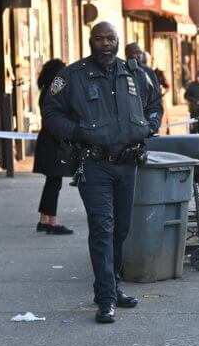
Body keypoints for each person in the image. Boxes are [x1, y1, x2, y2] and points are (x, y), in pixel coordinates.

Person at [43, 21, 163, 324]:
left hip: (127, 163)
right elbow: (51, 112)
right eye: (100, 39)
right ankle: (105, 297)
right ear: (90, 41)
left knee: (121, 229)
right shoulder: (71, 76)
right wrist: (78, 132)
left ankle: (114, 287)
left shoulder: (135, 73)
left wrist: (149, 125)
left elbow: (155, 102)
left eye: (111, 38)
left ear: (119, 41)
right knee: (102, 227)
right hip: (93, 164)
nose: (106, 44)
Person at [32, 59, 75, 235]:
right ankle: (52, 221)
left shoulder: (46, 88)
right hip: (54, 140)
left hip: (48, 138)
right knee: (54, 182)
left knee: (52, 181)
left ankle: (44, 219)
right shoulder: (55, 86)